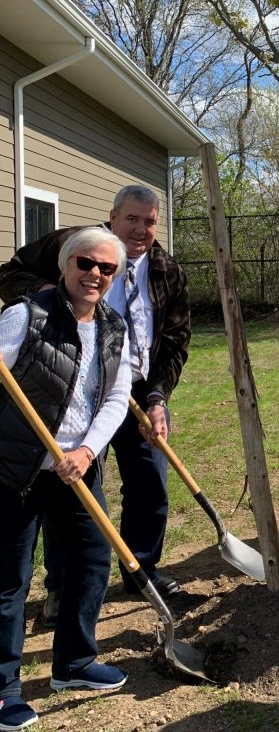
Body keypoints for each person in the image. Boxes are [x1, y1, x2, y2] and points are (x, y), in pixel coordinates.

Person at [0, 185, 191, 614]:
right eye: (132, 219)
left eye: (150, 221)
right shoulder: (76, 244)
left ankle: (141, 569)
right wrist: (52, 289)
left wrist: (159, 396)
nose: (141, 229)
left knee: (150, 483)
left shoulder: (166, 270)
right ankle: (61, 588)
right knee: (72, 483)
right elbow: (8, 272)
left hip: (137, 385)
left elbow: (177, 338)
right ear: (113, 215)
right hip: (75, 382)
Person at [0, 227, 132, 732]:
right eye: (85, 263)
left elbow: (117, 400)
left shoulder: (114, 328)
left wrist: (85, 450)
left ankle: (73, 665)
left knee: (90, 562)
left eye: (106, 268)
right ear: (64, 265)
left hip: (76, 467)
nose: (94, 275)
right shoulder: (25, 317)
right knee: (9, 579)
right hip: (17, 468)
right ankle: (3, 689)